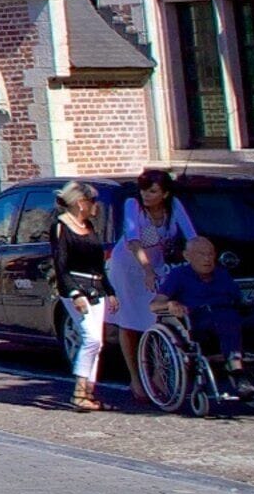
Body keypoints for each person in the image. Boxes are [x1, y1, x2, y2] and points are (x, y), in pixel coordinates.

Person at [160, 233, 254, 377]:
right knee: (226, 318)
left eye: (210, 254)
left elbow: (239, 300)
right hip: (201, 321)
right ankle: (236, 370)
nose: (207, 259)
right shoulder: (178, 275)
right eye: (201, 254)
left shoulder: (222, 274)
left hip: (230, 316)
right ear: (187, 256)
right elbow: (155, 304)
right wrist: (171, 304)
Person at [108, 171, 194, 367]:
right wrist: (147, 270)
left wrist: (198, 256)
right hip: (129, 266)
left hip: (156, 265)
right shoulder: (133, 205)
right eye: (144, 190)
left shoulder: (174, 206)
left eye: (152, 191)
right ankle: (136, 377)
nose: (146, 195)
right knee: (129, 320)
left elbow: (191, 234)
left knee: (157, 315)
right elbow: (134, 241)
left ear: (165, 194)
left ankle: (158, 370)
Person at [52, 178, 115, 411]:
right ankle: (78, 392)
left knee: (97, 343)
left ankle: (89, 391)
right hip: (75, 288)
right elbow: (61, 264)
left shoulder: (89, 227)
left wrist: (109, 291)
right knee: (91, 338)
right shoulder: (61, 226)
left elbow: (98, 263)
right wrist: (75, 292)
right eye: (93, 201)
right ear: (81, 203)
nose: (96, 206)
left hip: (96, 288)